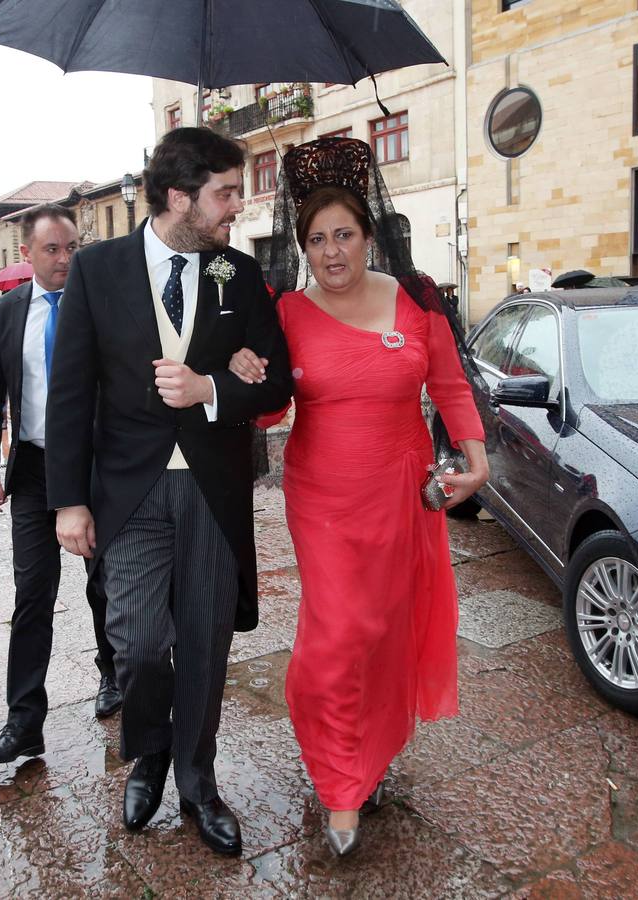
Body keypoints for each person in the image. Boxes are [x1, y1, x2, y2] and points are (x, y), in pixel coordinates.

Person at [228, 137, 489, 856]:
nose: (330, 252)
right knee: (336, 636)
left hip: (402, 490)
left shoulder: (417, 298)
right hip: (322, 497)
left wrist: (474, 456)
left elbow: (449, 385)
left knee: (383, 631)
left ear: (369, 235)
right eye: (316, 240)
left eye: (342, 234)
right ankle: (340, 783)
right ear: (302, 247)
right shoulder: (284, 311)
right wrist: (249, 376)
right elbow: (270, 414)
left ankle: (368, 754)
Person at [45, 128, 294, 856]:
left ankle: (197, 780)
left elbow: (276, 380)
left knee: (207, 644)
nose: (236, 206)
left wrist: (211, 387)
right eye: (225, 193)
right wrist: (69, 500)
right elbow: (69, 391)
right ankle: (149, 751)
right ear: (180, 196)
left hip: (214, 491)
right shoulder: (98, 270)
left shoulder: (237, 273)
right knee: (141, 643)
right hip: (129, 493)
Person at [0, 204, 123, 766]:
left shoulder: (101, 304)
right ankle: (24, 720)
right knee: (32, 593)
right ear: (27, 253)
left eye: (71, 247)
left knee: (103, 583)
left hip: (96, 467)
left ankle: (113, 675)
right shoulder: (5, 313)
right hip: (34, 470)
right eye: (52, 249)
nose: (64, 259)